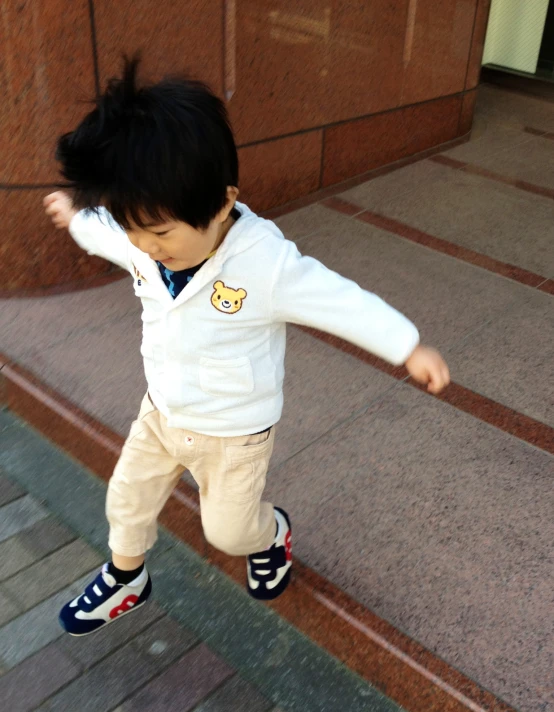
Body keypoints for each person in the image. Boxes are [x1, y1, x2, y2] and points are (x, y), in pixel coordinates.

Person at [44, 57, 450, 636]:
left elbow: (338, 299)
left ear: (221, 200)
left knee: (229, 534)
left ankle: (272, 533)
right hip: (161, 410)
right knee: (125, 500)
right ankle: (126, 576)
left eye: (160, 234)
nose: (147, 248)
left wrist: (407, 346)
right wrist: (79, 217)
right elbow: (111, 237)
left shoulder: (263, 262)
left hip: (234, 430)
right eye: (136, 232)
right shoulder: (143, 237)